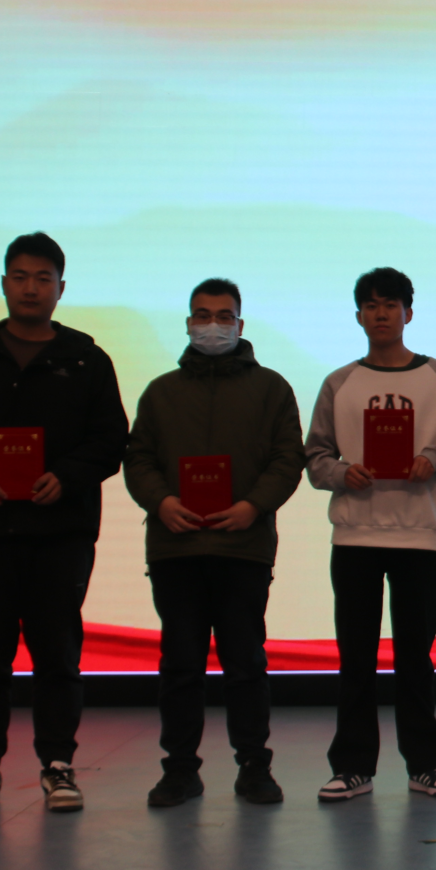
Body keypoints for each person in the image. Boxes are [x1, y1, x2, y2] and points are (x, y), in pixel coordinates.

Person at [0, 232, 129, 816]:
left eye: (43, 278)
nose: (31, 287)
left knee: (57, 654)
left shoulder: (86, 359)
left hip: (61, 533)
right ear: (4, 283)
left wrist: (68, 476)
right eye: (20, 276)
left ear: (61, 288)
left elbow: (111, 439)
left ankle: (57, 764)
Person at [304, 267, 436, 802]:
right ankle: (352, 766)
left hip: (418, 537)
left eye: (391, 305)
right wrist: (342, 473)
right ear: (358, 316)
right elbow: (315, 457)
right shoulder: (339, 382)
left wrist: (435, 458)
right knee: (355, 658)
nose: (381, 314)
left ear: (409, 313)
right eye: (371, 305)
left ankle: (426, 763)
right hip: (354, 537)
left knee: (415, 658)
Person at [125, 278, 305, 807]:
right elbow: (138, 458)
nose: (213, 325)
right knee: (180, 666)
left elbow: (287, 458)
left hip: (243, 547)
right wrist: (162, 502)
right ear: (188, 324)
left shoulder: (271, 388)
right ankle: (180, 770)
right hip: (175, 548)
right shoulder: (161, 392)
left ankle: (254, 767)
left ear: (240, 325)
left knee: (245, 664)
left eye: (224, 316)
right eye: (203, 316)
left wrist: (253, 506)